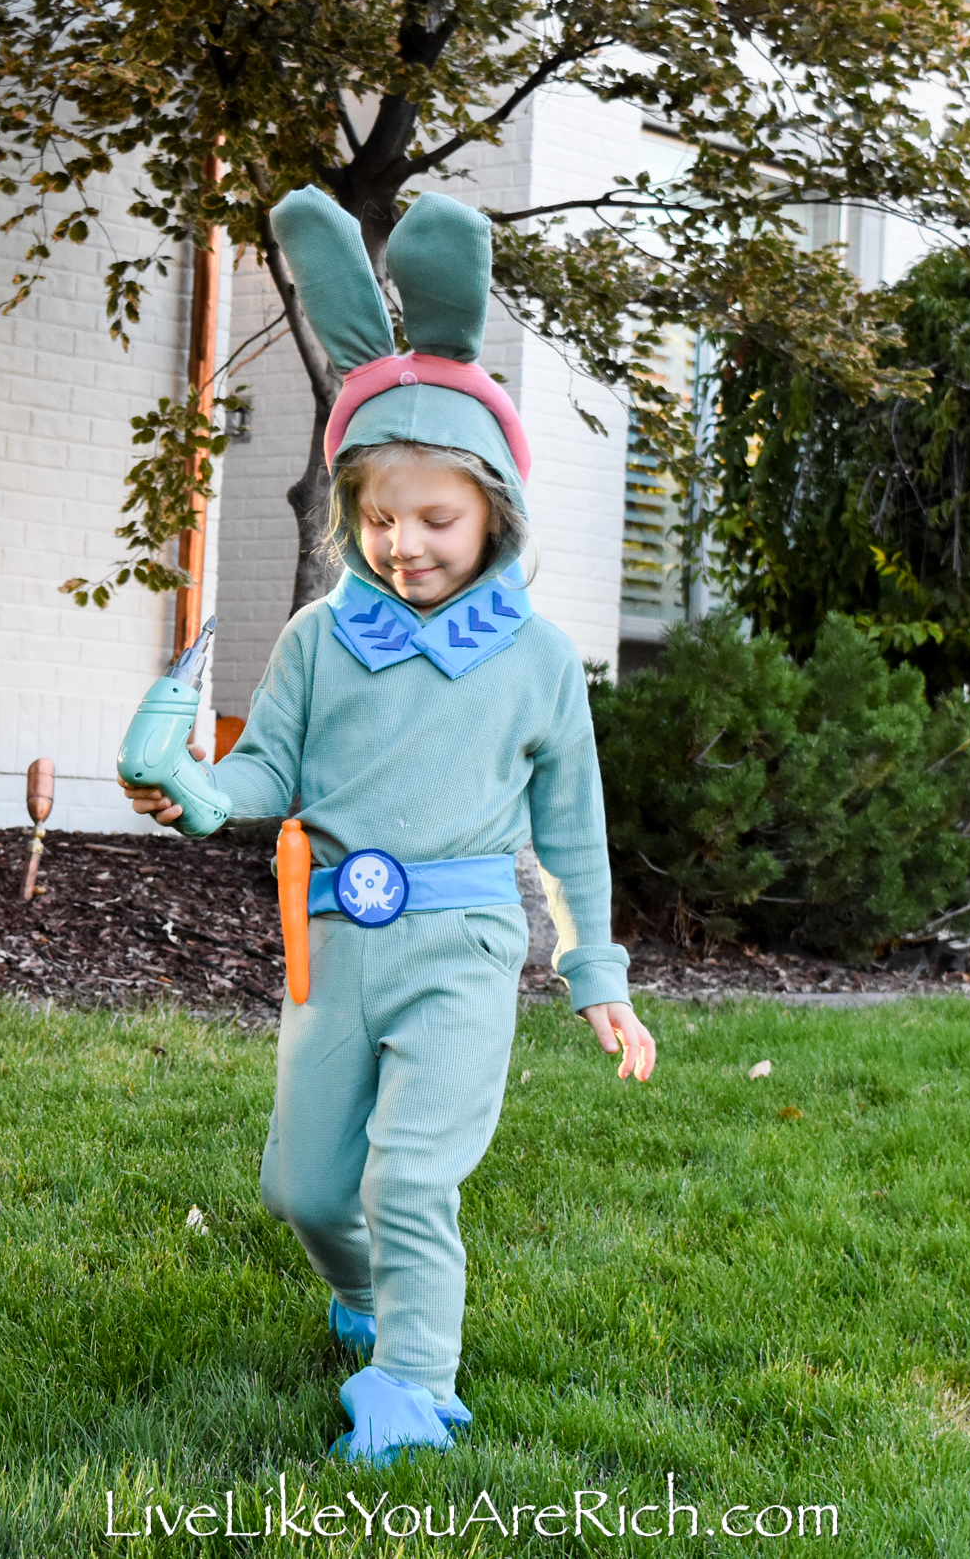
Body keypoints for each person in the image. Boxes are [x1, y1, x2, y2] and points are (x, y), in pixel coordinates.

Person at [123, 185, 654, 1463]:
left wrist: (595, 974)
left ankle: (413, 1383)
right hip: (334, 942)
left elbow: (569, 834)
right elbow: (268, 777)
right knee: (305, 1188)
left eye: (436, 519)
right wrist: (197, 791)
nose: (403, 542)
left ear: (494, 515)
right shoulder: (319, 637)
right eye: (379, 517)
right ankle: (363, 1294)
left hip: (466, 938)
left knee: (410, 1175)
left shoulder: (532, 657)